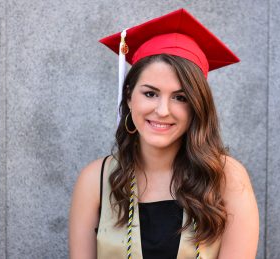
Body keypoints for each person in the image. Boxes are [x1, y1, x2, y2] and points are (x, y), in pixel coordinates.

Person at [69, 9, 259, 259]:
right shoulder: (96, 180)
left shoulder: (226, 178)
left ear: (197, 106)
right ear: (129, 96)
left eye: (180, 98)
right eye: (150, 93)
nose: (162, 110)